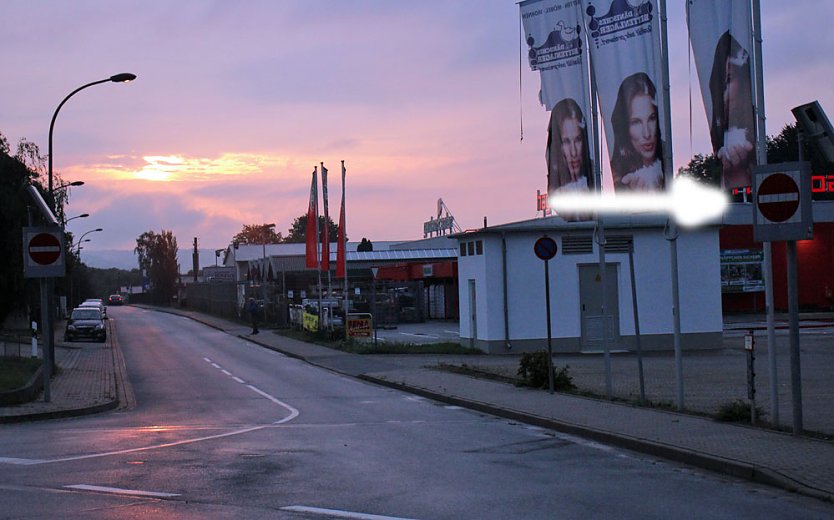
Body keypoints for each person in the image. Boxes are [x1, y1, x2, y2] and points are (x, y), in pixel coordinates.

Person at [709, 31, 755, 189]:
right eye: (718, 81)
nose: (722, 90)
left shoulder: (754, 133)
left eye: (728, 80)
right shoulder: (721, 136)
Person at [610, 72, 665, 192]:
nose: (647, 134)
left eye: (651, 118)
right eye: (636, 122)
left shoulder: (667, 157)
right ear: (625, 128)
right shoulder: (619, 175)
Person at [547, 98, 592, 196]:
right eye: (566, 142)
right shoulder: (557, 192)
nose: (573, 152)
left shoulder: (592, 182)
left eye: (578, 139)